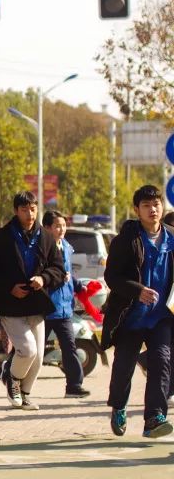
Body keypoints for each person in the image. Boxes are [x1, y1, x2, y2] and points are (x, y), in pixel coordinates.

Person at [0, 191, 66, 411]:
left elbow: (58, 269)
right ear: (16, 211)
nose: (30, 213)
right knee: (27, 351)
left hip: (36, 305)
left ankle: (25, 393)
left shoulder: (46, 237)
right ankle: (11, 379)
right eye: (25, 209)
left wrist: (43, 278)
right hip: (10, 304)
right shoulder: (3, 237)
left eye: (33, 208)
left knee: (37, 359)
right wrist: (9, 287)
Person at [102, 185, 173, 438]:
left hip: (162, 317)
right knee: (124, 366)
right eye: (146, 205)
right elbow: (111, 276)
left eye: (156, 204)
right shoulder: (126, 241)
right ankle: (119, 406)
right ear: (137, 210)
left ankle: (154, 418)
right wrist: (137, 290)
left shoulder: (173, 238)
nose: (152, 210)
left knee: (162, 362)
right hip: (131, 316)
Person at [42, 210, 90, 398]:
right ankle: (11, 374)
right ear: (47, 228)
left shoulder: (67, 247)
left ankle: (74, 386)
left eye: (63, 225)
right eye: (57, 226)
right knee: (34, 350)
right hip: (46, 308)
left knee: (69, 347)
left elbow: (68, 274)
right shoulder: (42, 250)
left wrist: (79, 286)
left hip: (64, 308)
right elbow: (41, 275)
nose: (61, 229)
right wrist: (57, 278)